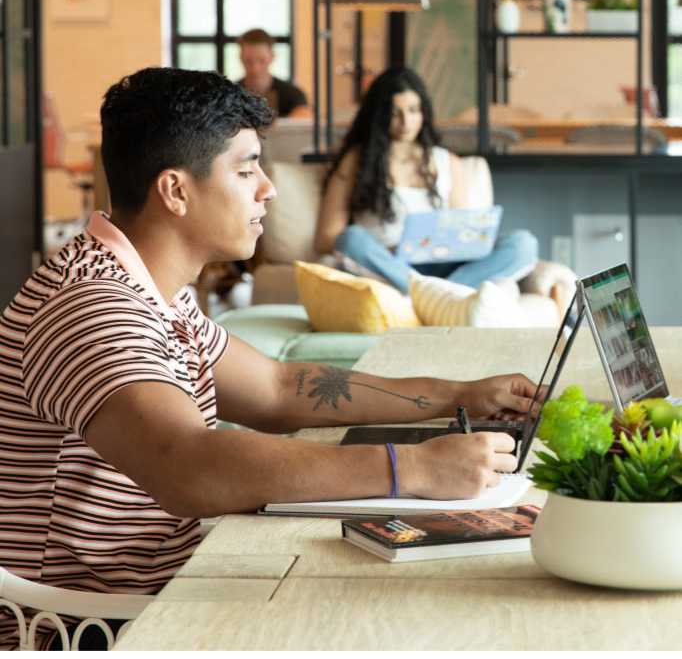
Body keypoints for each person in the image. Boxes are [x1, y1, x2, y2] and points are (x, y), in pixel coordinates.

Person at [0, 66, 539, 648]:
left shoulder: (150, 289)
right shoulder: (92, 307)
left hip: (170, 584)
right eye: (245, 168)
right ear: (176, 191)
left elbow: (279, 388)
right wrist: (414, 468)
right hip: (94, 626)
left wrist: (457, 396)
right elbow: (190, 466)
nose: (268, 188)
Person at [315, 66, 538, 295]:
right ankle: (441, 297)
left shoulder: (446, 161)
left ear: (424, 112)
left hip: (444, 263)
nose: (406, 121)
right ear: (379, 115)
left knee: (523, 244)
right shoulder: (355, 160)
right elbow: (326, 238)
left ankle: (431, 295)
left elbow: (462, 230)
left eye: (413, 110)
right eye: (395, 112)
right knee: (350, 239)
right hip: (390, 265)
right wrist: (388, 250)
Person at [238, 27, 310, 117]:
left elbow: (304, 117)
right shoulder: (229, 95)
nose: (255, 68)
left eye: (262, 60)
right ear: (241, 57)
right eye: (248, 60)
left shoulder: (293, 95)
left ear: (272, 56)